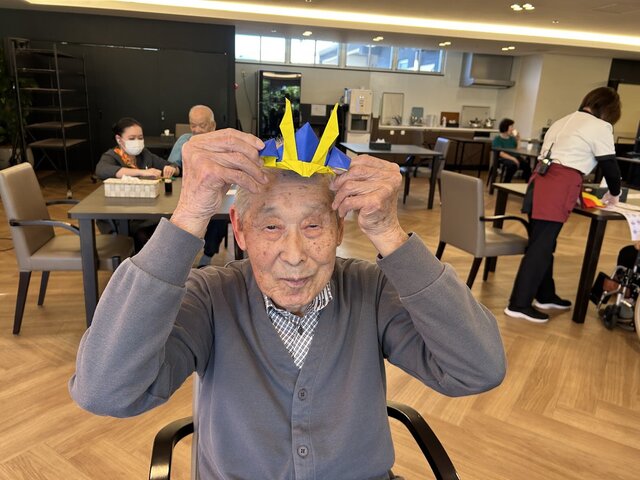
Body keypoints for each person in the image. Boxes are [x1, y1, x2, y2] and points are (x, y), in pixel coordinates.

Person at [69, 127, 506, 479]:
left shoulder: (371, 291)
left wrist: (389, 233)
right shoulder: (210, 297)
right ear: (239, 229)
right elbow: (106, 391)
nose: (294, 256)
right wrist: (189, 215)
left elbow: (477, 368)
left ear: (339, 229)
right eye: (271, 227)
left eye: (314, 226)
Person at [505, 87, 622, 323]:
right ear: (610, 109)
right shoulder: (600, 126)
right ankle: (518, 304)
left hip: (538, 183)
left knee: (543, 243)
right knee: (541, 246)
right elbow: (610, 165)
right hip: (557, 187)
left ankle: (545, 295)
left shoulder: (563, 120)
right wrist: (615, 193)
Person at [95, 117, 180, 251]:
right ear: (119, 139)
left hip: (145, 212)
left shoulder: (144, 155)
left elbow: (172, 166)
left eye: (140, 138)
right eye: (132, 138)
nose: (137, 142)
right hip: (122, 217)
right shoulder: (111, 156)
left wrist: (172, 168)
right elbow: (102, 170)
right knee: (146, 235)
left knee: (169, 228)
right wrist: (142, 172)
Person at [168, 105, 230, 267]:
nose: (196, 130)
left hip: (216, 193)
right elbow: (174, 165)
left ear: (213, 125)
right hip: (188, 194)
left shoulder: (223, 143)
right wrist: (173, 169)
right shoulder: (185, 141)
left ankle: (207, 256)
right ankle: (178, 260)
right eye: (193, 125)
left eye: (202, 125)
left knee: (219, 217)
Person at [492, 118, 532, 183]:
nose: (513, 129)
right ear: (505, 127)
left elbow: (518, 150)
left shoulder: (512, 139)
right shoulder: (497, 139)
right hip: (504, 158)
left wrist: (518, 139)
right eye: (511, 127)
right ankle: (506, 183)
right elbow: (501, 153)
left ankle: (528, 185)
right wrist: (513, 159)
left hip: (515, 157)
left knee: (526, 165)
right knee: (512, 166)